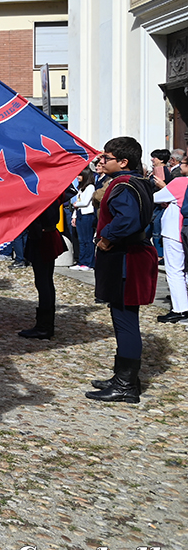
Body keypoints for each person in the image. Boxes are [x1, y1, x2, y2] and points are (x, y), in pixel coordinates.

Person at [87, 137, 158, 404]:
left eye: (106, 157)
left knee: (126, 320)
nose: (101, 161)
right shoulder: (134, 181)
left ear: (123, 161)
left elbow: (127, 219)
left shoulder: (125, 184)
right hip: (129, 256)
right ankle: (122, 375)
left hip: (127, 258)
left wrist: (106, 236)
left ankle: (126, 385)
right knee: (121, 318)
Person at [16, 196, 69, 339]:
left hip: (43, 236)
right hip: (44, 235)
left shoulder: (47, 194)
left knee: (43, 281)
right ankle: (45, 324)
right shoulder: (50, 193)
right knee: (45, 281)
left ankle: (44, 326)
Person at [154, 181, 188, 324]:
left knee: (174, 271)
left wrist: (163, 187)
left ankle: (180, 308)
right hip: (181, 228)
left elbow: (155, 197)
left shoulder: (180, 182)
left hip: (174, 230)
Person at [70, 167, 96, 271]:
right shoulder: (81, 188)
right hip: (80, 213)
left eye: (80, 175)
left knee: (87, 240)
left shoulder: (90, 187)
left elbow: (85, 202)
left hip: (87, 215)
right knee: (81, 240)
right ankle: (81, 261)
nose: (78, 177)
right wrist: (74, 216)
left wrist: (77, 204)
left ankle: (88, 262)